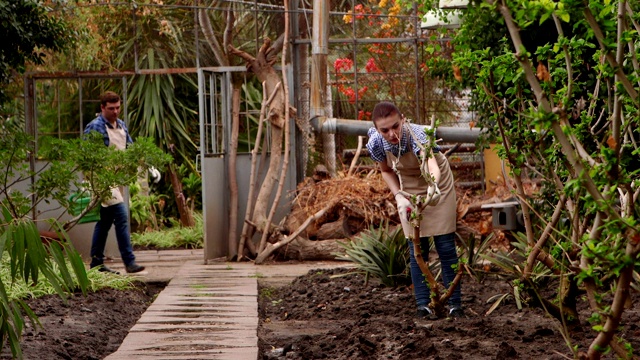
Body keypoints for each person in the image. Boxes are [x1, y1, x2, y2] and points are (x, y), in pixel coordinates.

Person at [365, 101, 464, 319]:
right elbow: (385, 170)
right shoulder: (376, 143)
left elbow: (431, 165)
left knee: (445, 245)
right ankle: (423, 304)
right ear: (377, 129)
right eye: (385, 130)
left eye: (395, 126)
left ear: (403, 120)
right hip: (408, 185)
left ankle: (455, 304)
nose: (392, 133)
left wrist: (433, 186)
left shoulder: (418, 134)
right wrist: (399, 195)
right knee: (417, 246)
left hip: (439, 183)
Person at [84, 91, 145, 274]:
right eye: (111, 108)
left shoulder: (121, 126)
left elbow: (130, 148)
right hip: (101, 179)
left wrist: (144, 165)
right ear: (102, 108)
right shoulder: (94, 127)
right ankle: (129, 261)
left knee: (104, 222)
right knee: (121, 214)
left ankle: (96, 263)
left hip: (116, 179)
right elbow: (86, 156)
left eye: (118, 107)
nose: (116, 111)